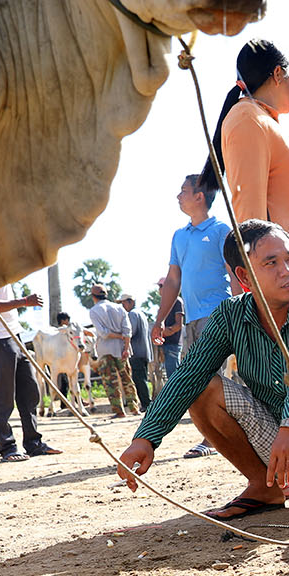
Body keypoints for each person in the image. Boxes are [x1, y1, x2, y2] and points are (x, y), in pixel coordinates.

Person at [118, 219, 289, 518]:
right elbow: (188, 375)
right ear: (244, 276)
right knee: (201, 387)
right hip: (278, 453)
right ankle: (264, 487)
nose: (287, 270)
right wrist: (145, 438)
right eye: (271, 262)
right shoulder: (229, 316)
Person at [201, 39, 289, 285]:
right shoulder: (247, 117)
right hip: (284, 287)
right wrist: (259, 298)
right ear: (279, 73)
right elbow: (249, 217)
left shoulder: (260, 118)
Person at [152, 173, 234, 459]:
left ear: (200, 196)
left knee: (209, 376)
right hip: (191, 318)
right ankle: (215, 435)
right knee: (193, 378)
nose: (178, 195)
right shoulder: (179, 236)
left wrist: (243, 310)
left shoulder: (222, 230)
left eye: (183, 191)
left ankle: (212, 440)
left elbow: (235, 272)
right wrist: (160, 319)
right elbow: (173, 280)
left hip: (219, 314)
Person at [0, 284, 60, 461]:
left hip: (14, 334)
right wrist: (24, 301)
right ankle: (7, 447)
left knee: (29, 392)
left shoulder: (4, 270)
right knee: (2, 396)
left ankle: (33, 443)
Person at [88, 284, 140, 416]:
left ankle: (119, 411)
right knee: (127, 378)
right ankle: (134, 408)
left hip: (105, 349)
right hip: (122, 347)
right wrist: (126, 347)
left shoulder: (94, 311)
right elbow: (128, 330)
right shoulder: (119, 308)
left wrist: (117, 336)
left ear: (94, 297)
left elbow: (103, 333)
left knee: (110, 381)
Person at [120, 295, 152, 413]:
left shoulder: (132, 314)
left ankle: (146, 404)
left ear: (131, 302)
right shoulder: (141, 313)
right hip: (144, 351)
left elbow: (130, 332)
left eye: (124, 303)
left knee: (139, 379)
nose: (123, 306)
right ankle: (146, 403)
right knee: (142, 378)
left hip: (137, 352)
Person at [154, 276, 185, 386]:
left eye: (161, 286)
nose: (159, 289)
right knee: (170, 376)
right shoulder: (164, 304)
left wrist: (163, 332)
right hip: (167, 344)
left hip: (173, 344)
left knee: (174, 377)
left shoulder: (176, 301)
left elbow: (178, 325)